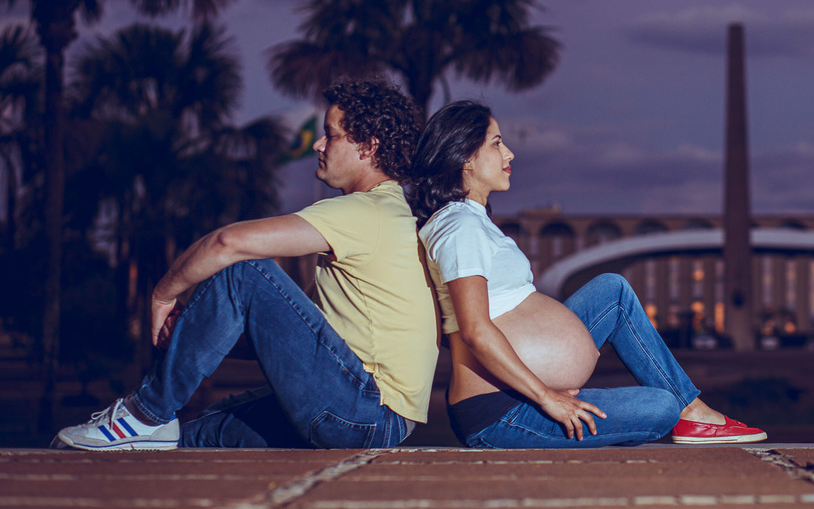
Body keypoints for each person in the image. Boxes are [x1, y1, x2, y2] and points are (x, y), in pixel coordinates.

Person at [54, 79, 439, 450]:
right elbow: (283, 336)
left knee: (246, 271)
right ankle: (147, 431)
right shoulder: (390, 212)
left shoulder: (366, 211)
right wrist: (195, 325)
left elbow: (228, 243)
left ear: (368, 147)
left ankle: (145, 413)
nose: (319, 144)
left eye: (331, 134)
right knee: (194, 434)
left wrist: (161, 295)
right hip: (368, 416)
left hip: (364, 411)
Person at [408, 100, 766, 448]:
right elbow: (473, 330)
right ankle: (686, 412)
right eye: (497, 143)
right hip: (501, 413)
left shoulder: (472, 221)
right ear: (465, 157)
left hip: (519, 393)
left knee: (612, 290)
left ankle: (694, 411)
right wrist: (546, 395)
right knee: (660, 408)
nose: (510, 154)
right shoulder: (459, 226)